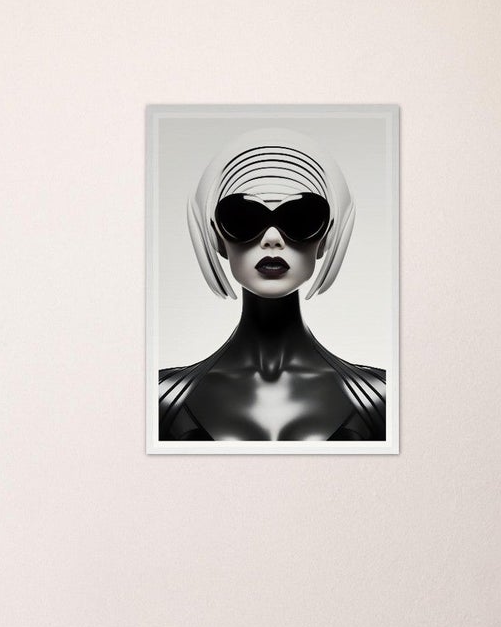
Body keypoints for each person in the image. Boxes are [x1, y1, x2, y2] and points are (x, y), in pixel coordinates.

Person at [158, 129, 387, 442]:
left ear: (327, 240)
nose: (272, 239)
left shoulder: (380, 396)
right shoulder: (162, 398)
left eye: (301, 219)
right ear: (216, 239)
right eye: (242, 219)